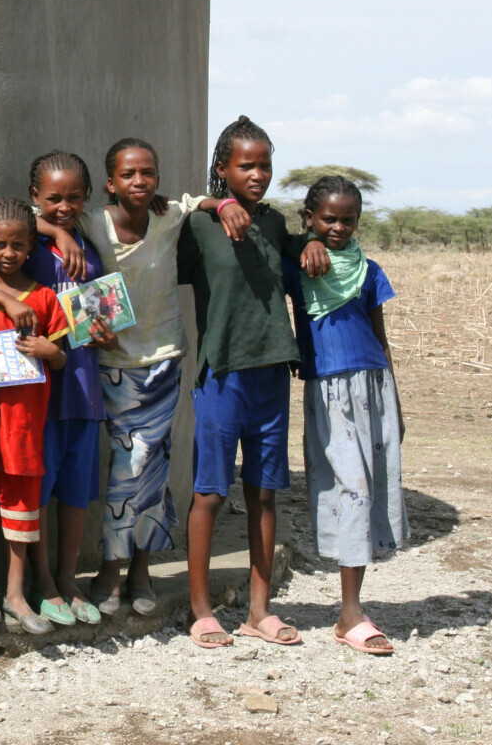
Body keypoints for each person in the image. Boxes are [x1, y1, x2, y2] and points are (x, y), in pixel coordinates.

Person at [41, 139, 246, 618]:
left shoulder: (169, 217)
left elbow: (199, 202)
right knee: (127, 465)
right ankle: (114, 567)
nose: (139, 182)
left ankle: (140, 568)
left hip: (164, 359)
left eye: (148, 173)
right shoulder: (92, 224)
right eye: (129, 175)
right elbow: (35, 215)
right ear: (110, 183)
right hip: (113, 364)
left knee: (153, 462)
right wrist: (62, 235)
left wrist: (227, 202)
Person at [176, 116, 329, 648]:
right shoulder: (200, 226)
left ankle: (260, 610)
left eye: (265, 164)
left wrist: (308, 244)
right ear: (223, 169)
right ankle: (201, 610)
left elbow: (295, 250)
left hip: (271, 376)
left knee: (265, 495)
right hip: (222, 375)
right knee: (210, 493)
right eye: (247, 165)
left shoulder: (273, 225)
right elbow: (176, 211)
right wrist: (212, 203)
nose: (258, 174)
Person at [0, 151, 107, 625]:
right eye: (53, 200)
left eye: (74, 198)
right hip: (36, 394)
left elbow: (94, 312)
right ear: (36, 199)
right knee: (39, 489)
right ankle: (44, 581)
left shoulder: (88, 243)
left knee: (75, 491)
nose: (64, 207)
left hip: (83, 382)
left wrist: (104, 330)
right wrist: (53, 232)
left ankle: (68, 578)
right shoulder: (29, 244)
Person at [284, 175, 407, 655]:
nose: (338, 227)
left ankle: (350, 609)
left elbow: (380, 336)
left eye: (347, 219)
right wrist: (307, 242)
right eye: (328, 219)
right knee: (350, 488)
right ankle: (351, 613)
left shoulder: (370, 270)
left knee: (370, 488)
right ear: (310, 219)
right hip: (329, 388)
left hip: (374, 383)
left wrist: (394, 401)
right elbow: (272, 240)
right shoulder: (299, 266)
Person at [0, 198, 70, 635]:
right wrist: (2, 296)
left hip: (26, 427)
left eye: (18, 245)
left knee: (22, 510)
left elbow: (64, 358)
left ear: (31, 248)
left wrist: (51, 353)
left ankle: (15, 593)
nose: (8, 253)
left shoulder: (46, 298)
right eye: (0, 245)